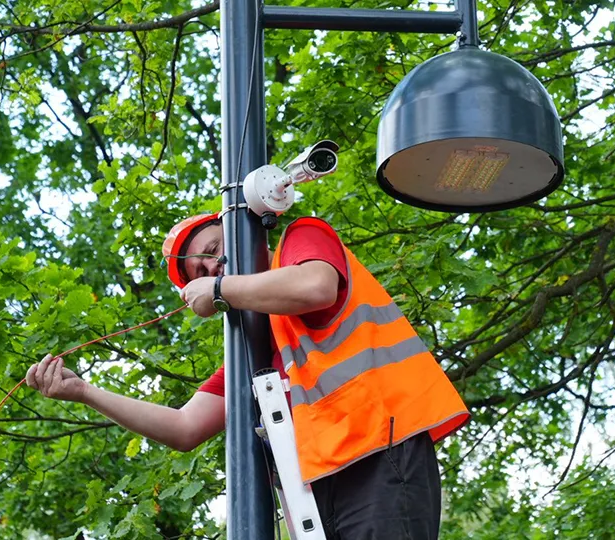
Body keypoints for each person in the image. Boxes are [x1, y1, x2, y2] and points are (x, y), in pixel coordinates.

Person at [26, 212, 470, 539]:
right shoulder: (259, 346)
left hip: (378, 453)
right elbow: (184, 427)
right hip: (316, 489)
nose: (213, 267)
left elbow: (316, 287)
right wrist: (85, 391)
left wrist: (220, 291)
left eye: (214, 250)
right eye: (200, 272)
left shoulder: (300, 238)